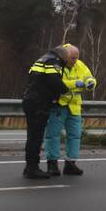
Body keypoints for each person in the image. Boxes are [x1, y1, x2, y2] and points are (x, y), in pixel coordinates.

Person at [21, 45, 82, 178]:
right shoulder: (52, 62)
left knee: (33, 136)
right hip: (39, 103)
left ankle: (29, 167)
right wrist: (67, 91)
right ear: (63, 56)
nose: (67, 64)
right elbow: (55, 82)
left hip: (31, 100)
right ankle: (32, 168)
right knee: (35, 137)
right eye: (68, 60)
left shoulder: (43, 59)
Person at [43, 44, 96, 176]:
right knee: (53, 135)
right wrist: (75, 84)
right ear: (65, 56)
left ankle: (71, 163)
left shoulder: (79, 64)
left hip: (74, 106)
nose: (74, 61)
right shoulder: (56, 65)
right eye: (72, 58)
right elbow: (58, 84)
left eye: (76, 58)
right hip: (59, 105)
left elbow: (89, 77)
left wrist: (91, 83)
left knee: (75, 136)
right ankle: (52, 163)